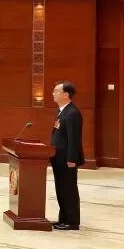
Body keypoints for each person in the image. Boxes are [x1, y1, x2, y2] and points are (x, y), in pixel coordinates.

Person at [51, 81, 85, 231]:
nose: (53, 93)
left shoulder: (72, 113)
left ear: (66, 94)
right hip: (58, 158)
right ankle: (63, 218)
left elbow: (74, 139)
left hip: (67, 160)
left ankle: (72, 222)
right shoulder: (62, 111)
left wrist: (71, 159)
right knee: (61, 189)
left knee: (69, 190)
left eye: (56, 91)